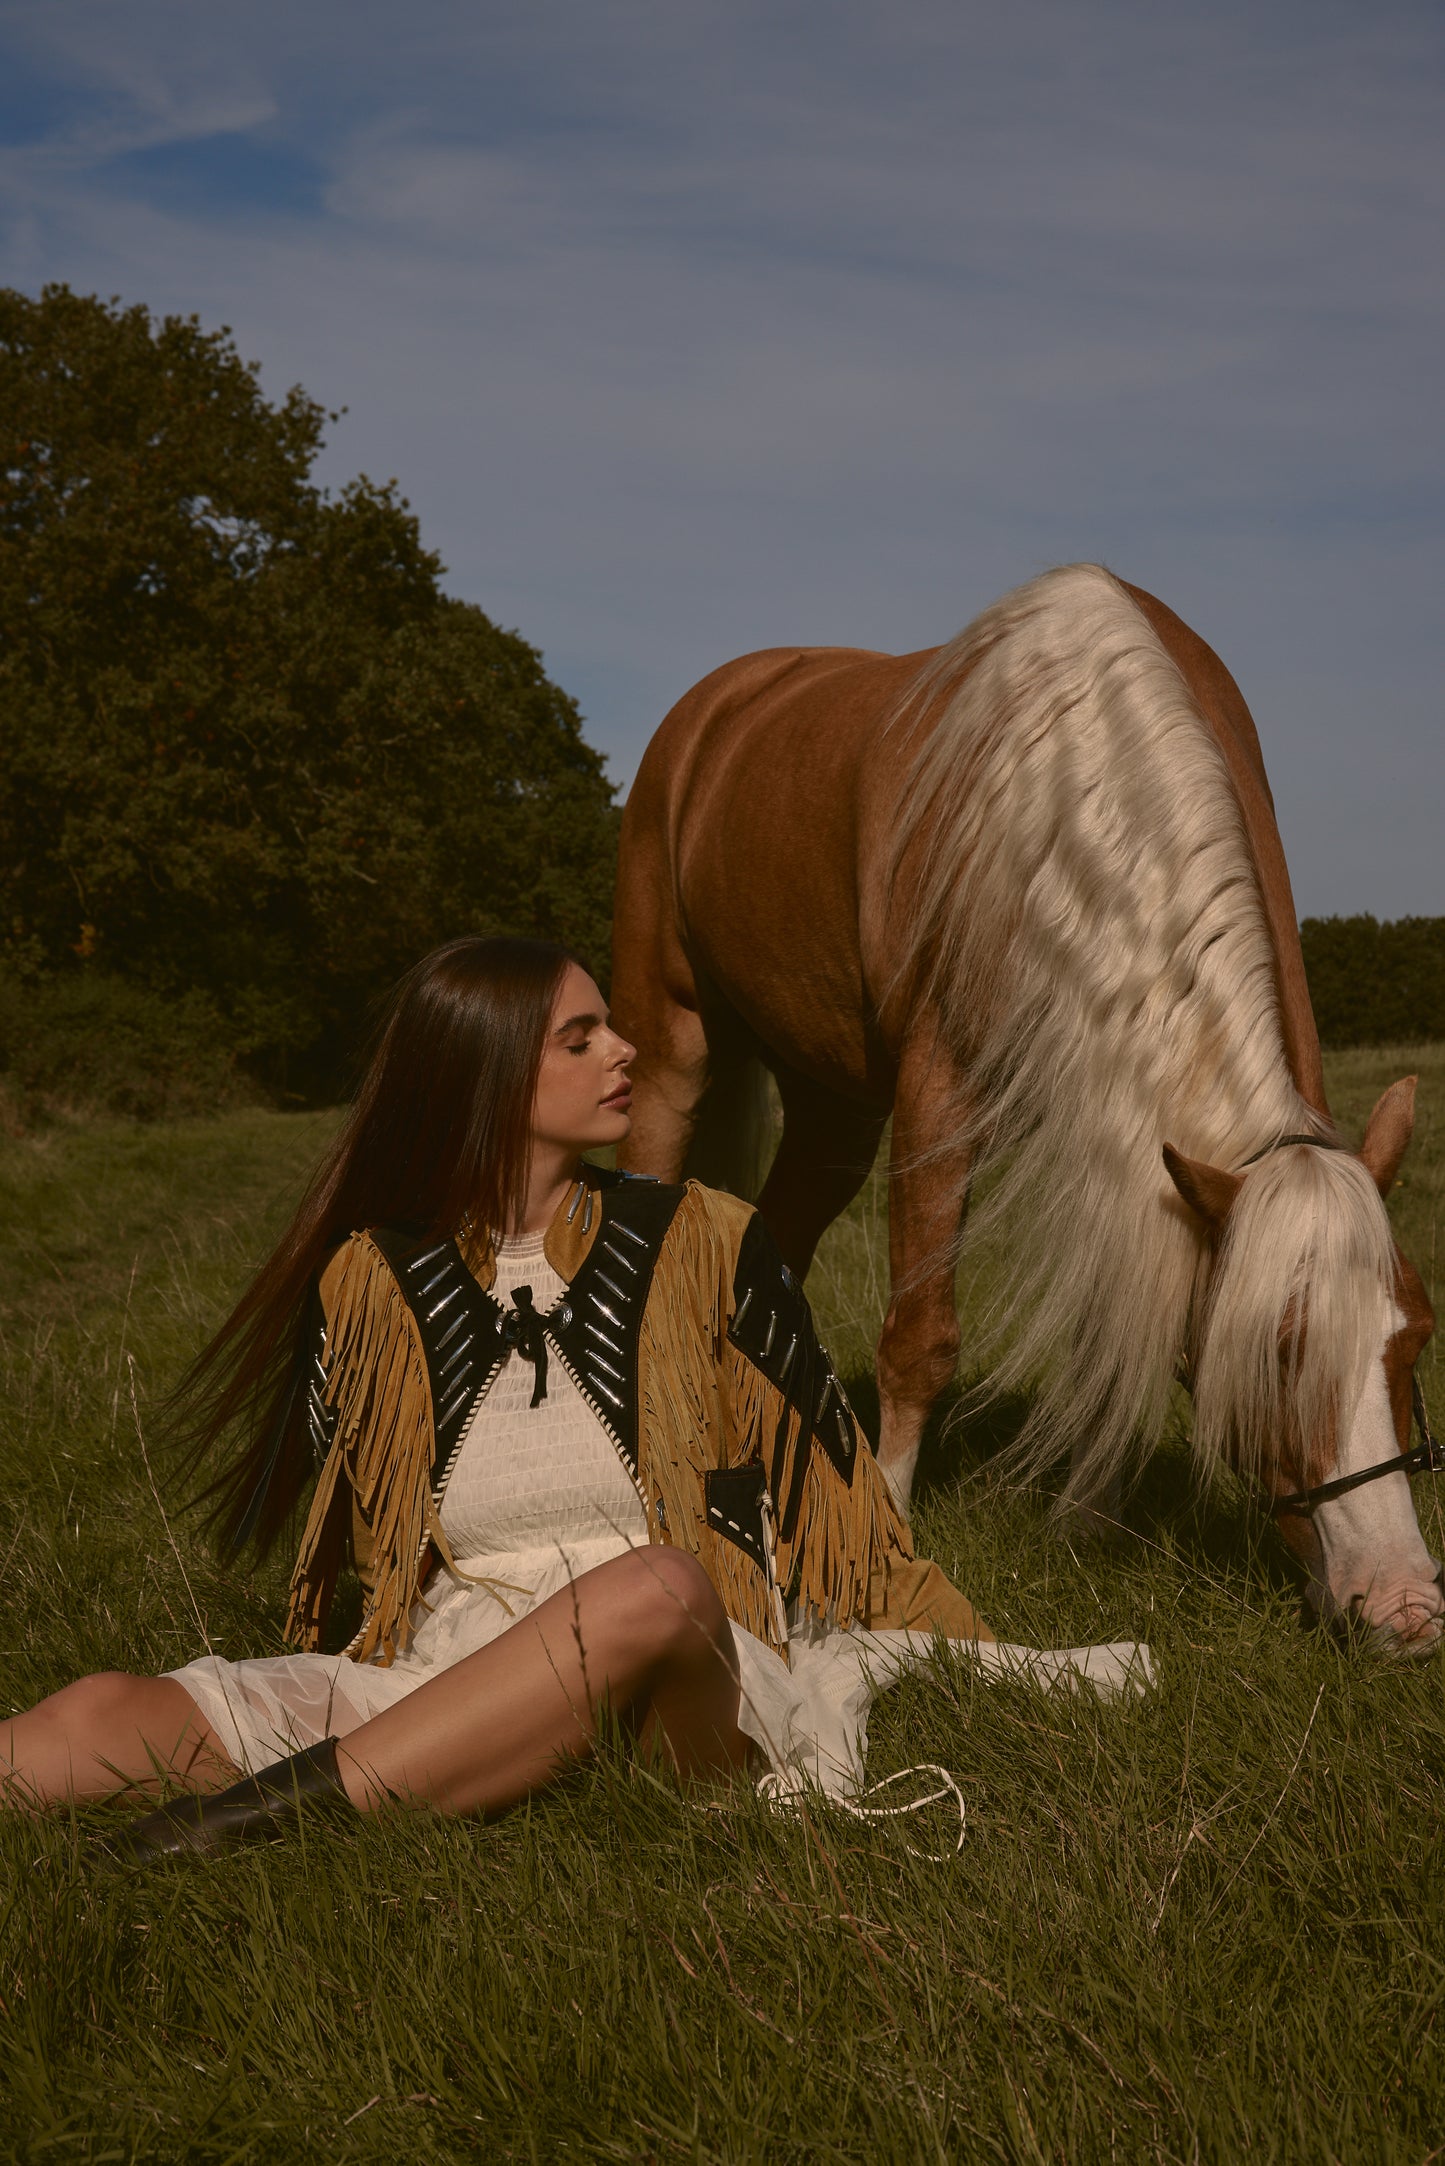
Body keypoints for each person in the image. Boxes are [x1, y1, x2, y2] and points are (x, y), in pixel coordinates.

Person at [0, 936, 998, 1858]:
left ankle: (233, 1831)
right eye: (581, 1037)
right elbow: (351, 1530)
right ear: (487, 1070)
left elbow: (840, 1497)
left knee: (651, 1590)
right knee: (94, 1716)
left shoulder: (708, 1238)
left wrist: (981, 1655)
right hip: (450, 1668)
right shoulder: (376, 1280)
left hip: (685, 1688)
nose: (625, 1049)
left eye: (607, 1025)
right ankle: (383, 1772)